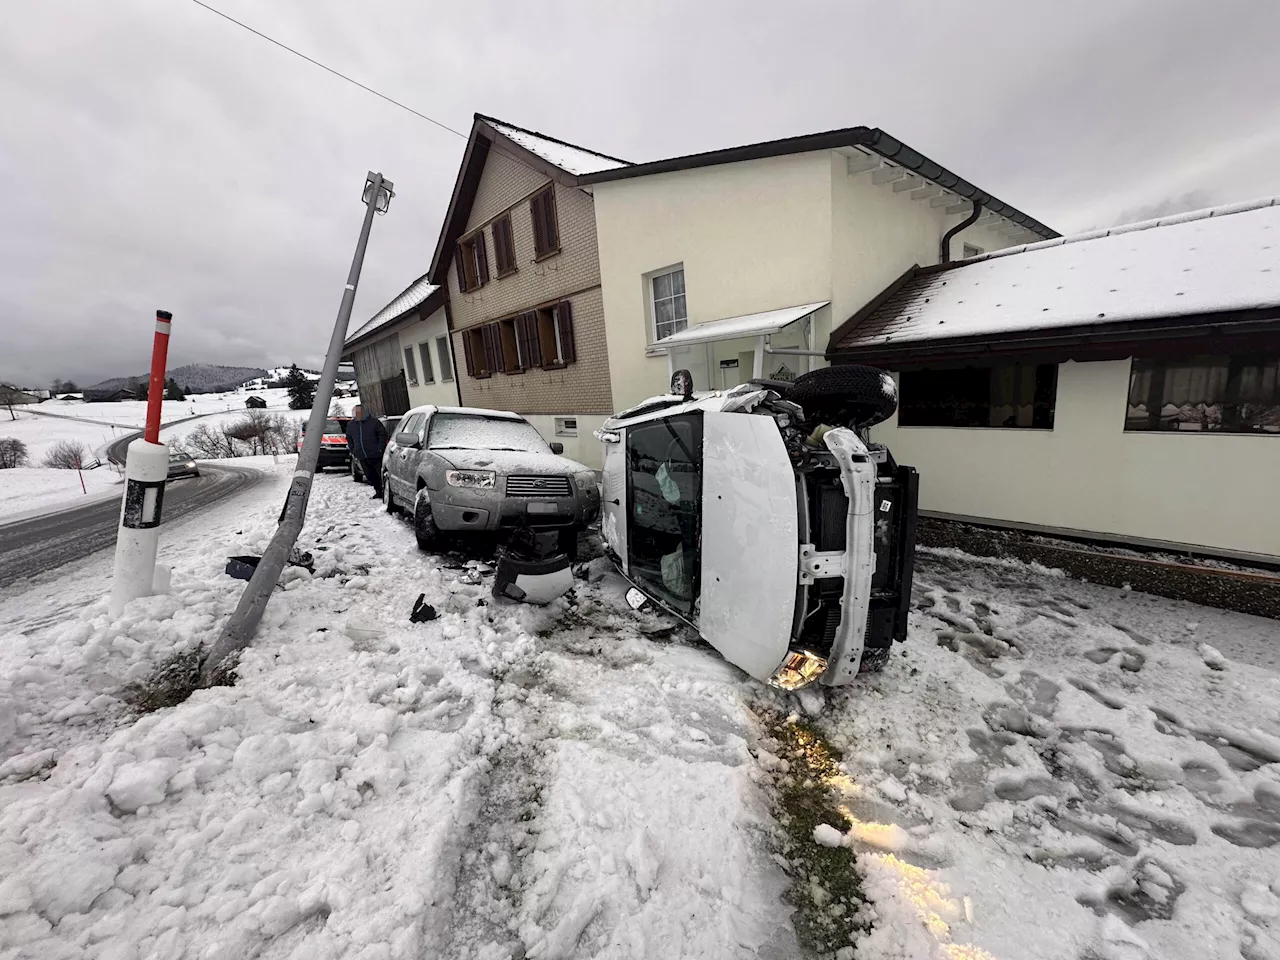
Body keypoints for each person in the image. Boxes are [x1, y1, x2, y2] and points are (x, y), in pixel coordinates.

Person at [345, 405, 389, 499]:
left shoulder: (374, 422)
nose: (357, 415)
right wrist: (353, 450)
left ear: (364, 412)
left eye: (359, 412)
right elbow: (349, 438)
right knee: (370, 476)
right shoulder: (351, 425)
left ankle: (384, 492)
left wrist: (380, 448)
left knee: (380, 475)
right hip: (362, 455)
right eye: (355, 413)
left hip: (376, 454)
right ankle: (378, 491)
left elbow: (383, 435)